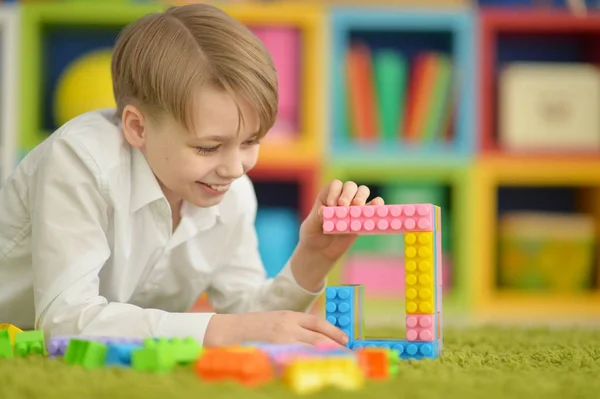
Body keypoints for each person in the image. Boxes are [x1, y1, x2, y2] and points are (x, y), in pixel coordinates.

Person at [0, 3, 384, 347]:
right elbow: (65, 321)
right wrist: (219, 330)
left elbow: (249, 314)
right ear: (138, 127)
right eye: (207, 148)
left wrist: (312, 257)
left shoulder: (232, 193)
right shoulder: (79, 162)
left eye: (251, 141)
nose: (235, 169)